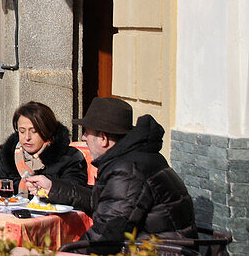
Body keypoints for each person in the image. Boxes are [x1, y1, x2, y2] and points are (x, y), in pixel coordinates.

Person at [37, 97, 196, 249]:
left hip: (159, 251)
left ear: (103, 139)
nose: (84, 137)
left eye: (87, 132)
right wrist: (53, 188)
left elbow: (106, 236)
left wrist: (62, 253)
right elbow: (104, 202)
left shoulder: (128, 169)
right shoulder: (134, 158)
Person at [0, 101, 87, 194]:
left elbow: (75, 193)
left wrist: (49, 189)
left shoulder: (69, 157)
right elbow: (2, 185)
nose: (27, 137)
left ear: (47, 131)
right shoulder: (10, 156)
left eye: (34, 131)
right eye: (22, 131)